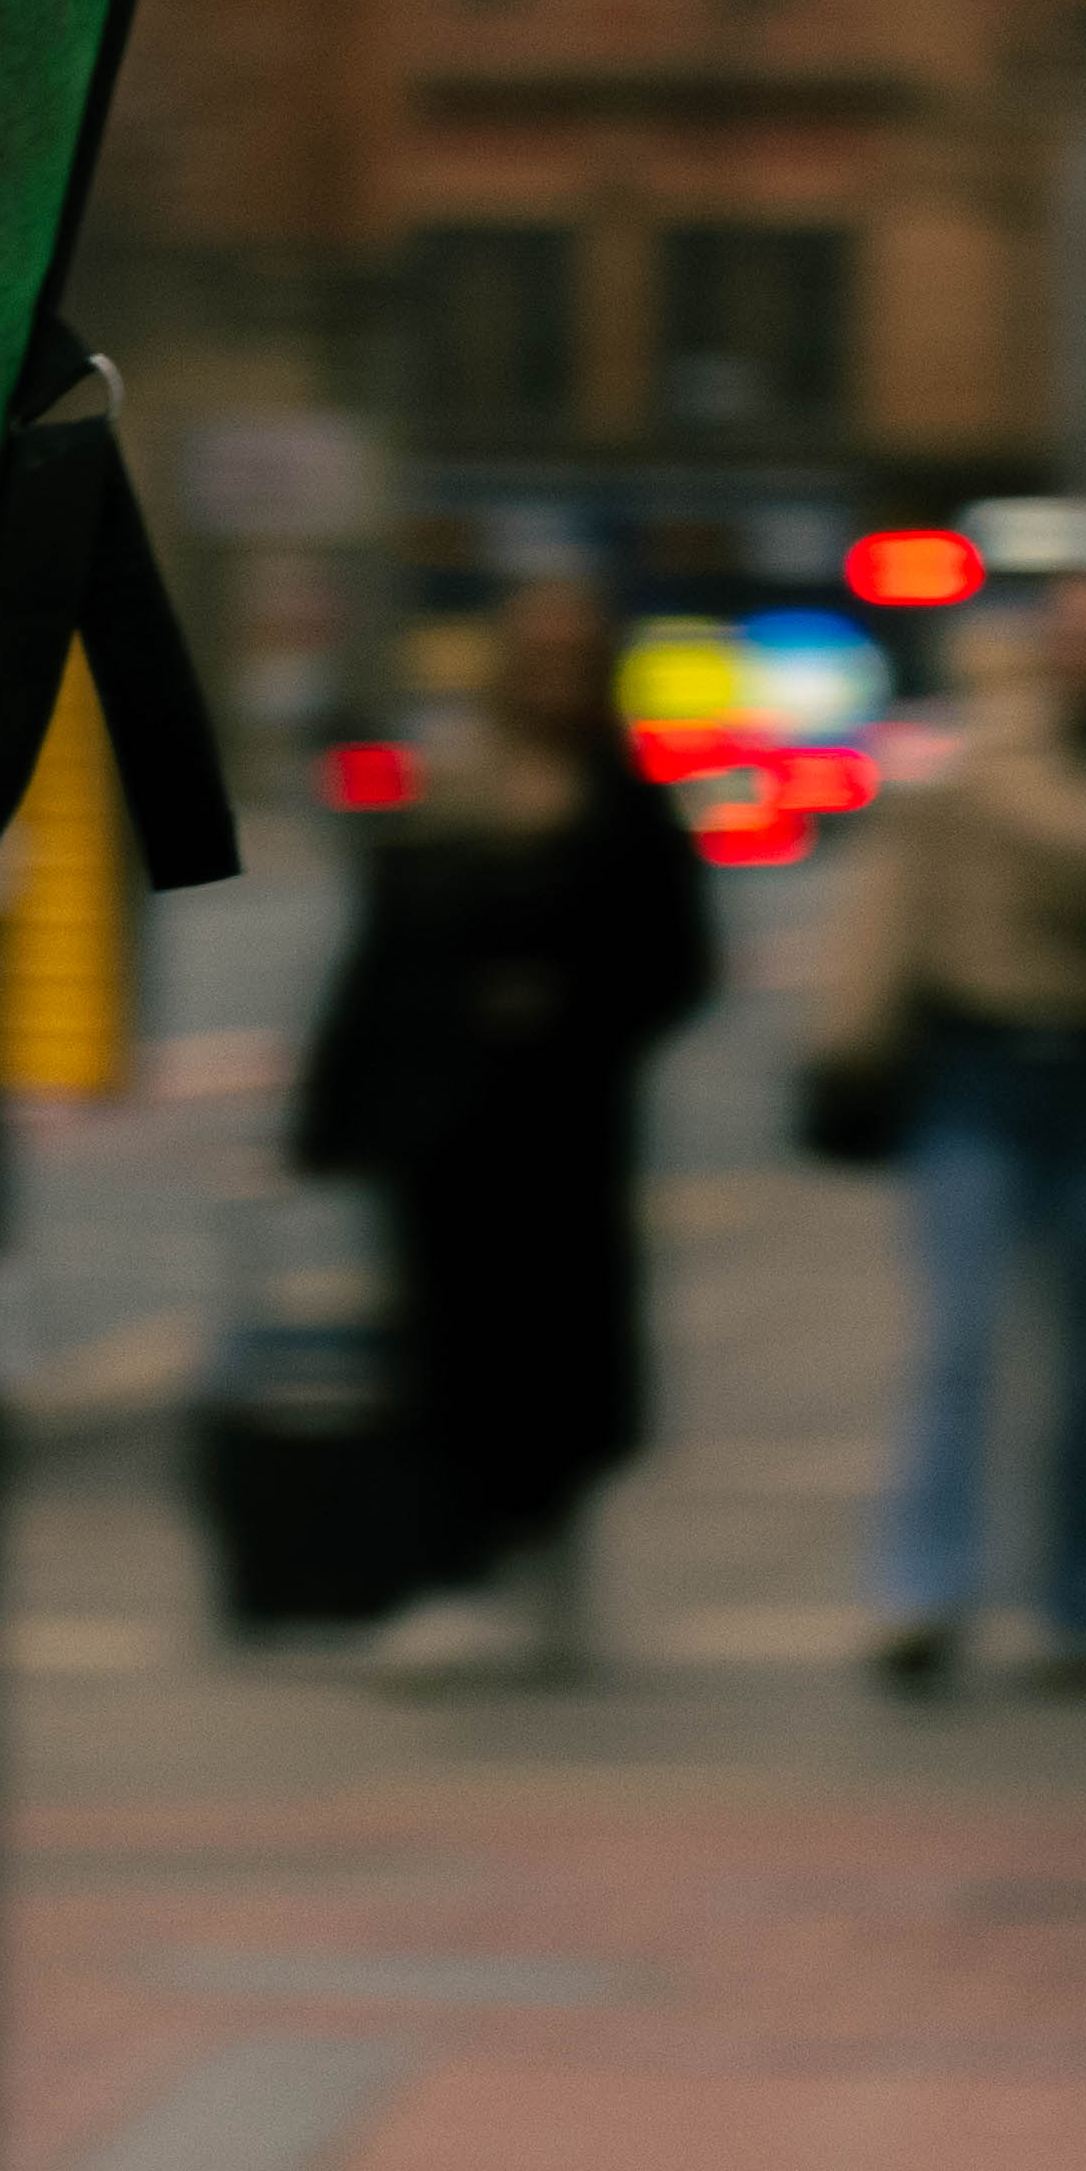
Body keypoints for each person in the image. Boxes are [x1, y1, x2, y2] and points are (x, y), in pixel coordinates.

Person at [285, 570, 716, 1684]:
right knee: (437, 1350)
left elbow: (678, 961)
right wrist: (335, 1109)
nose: (554, 675)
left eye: (575, 657)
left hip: (566, 1128)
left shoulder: (627, 799)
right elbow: (381, 954)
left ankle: (543, 1548)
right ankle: (442, 1574)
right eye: (538, 654)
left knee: (559, 1353)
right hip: (444, 1128)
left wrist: (577, 1009)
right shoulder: (451, 784)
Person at [819, 572, 1086, 1693]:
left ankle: (1078, 1607)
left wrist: (992, 742)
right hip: (975, 1067)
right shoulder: (984, 745)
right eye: (1073, 634)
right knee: (955, 1340)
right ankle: (922, 1592)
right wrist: (851, 1030)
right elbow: (897, 882)